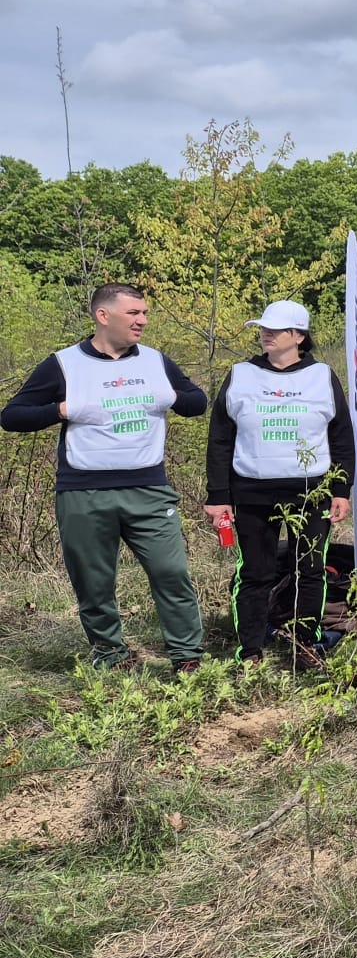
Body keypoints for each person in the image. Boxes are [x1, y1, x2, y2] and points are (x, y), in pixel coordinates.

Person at [2, 283, 210, 672]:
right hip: (84, 492)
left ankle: (187, 657)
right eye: (133, 313)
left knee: (171, 572)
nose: (142, 320)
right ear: (103, 315)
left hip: (149, 489)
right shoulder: (63, 364)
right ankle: (111, 654)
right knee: (93, 583)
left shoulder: (155, 361)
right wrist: (62, 409)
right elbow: (12, 416)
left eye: (144, 313)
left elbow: (197, 403)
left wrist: (173, 397)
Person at [203, 301, 354, 667]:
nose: (265, 333)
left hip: (312, 492)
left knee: (310, 570)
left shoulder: (322, 376)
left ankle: (305, 644)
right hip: (252, 492)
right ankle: (250, 652)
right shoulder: (241, 374)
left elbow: (341, 437)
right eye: (263, 328)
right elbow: (220, 438)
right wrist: (218, 495)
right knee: (255, 573)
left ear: (298, 336)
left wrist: (341, 489)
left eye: (276, 329)